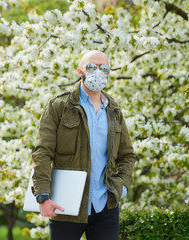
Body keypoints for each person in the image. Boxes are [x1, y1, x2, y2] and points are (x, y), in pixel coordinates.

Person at [31, 50, 136, 240]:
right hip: (65, 205)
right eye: (91, 66)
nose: (97, 71)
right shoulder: (58, 106)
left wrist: (122, 187)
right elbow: (42, 152)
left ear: (108, 73)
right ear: (80, 71)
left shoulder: (114, 110)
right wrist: (42, 196)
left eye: (103, 68)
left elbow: (127, 155)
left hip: (105, 205)